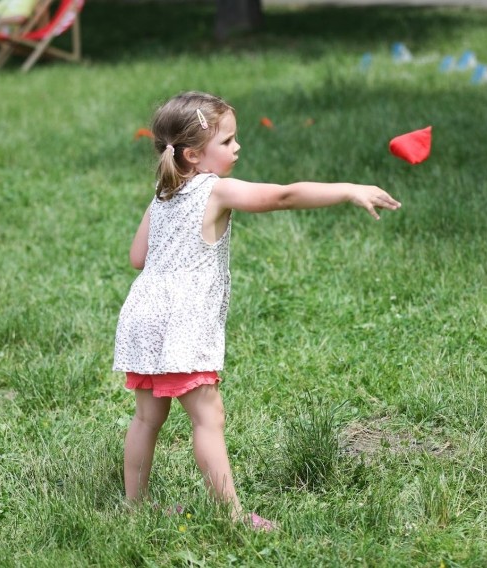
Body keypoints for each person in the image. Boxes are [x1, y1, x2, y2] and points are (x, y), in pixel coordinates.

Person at [113, 91, 401, 530]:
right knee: (209, 418)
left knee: (146, 417)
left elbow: (138, 257)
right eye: (227, 142)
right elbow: (283, 196)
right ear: (193, 154)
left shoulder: (165, 190)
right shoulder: (216, 190)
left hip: (142, 315)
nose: (237, 148)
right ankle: (231, 516)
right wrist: (347, 190)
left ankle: (134, 508)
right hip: (181, 323)